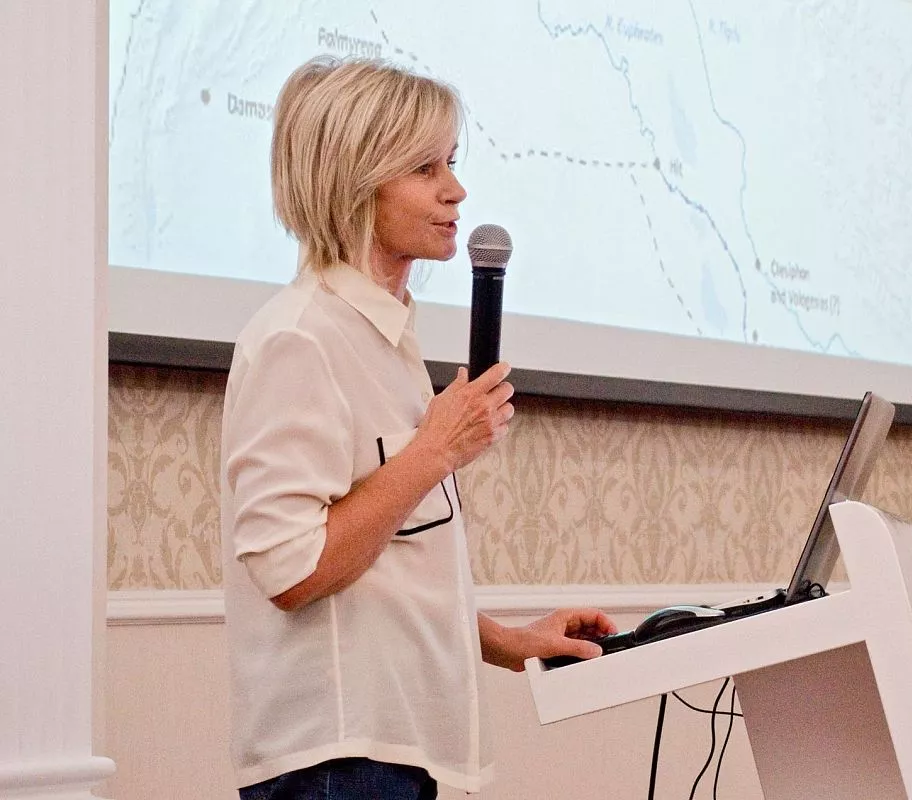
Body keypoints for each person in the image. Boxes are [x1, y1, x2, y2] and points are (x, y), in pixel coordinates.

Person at [220, 56, 617, 799]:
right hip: (336, 762)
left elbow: (386, 576)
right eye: (425, 168)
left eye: (452, 163)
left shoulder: (387, 342)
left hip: (392, 752)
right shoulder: (299, 339)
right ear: (357, 180)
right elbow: (291, 570)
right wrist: (436, 448)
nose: (456, 190)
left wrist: (511, 642)